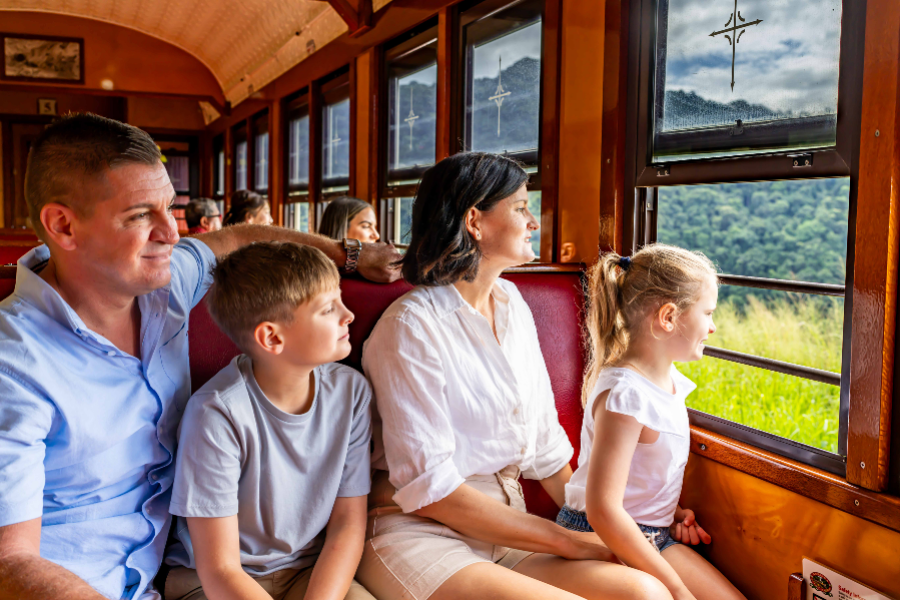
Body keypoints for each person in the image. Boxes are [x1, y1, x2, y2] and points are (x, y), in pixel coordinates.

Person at [0, 112, 400, 600]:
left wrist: (350, 255)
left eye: (170, 208)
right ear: (63, 225)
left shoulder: (164, 287)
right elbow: (11, 560)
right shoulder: (13, 363)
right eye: (139, 216)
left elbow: (238, 239)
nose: (171, 233)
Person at [358, 152, 670, 600]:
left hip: (506, 533)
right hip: (420, 533)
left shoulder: (512, 305)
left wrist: (631, 531)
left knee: (644, 592)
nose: (533, 222)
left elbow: (544, 449)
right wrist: (570, 542)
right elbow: (434, 492)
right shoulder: (410, 328)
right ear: (475, 221)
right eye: (521, 207)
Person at [164, 242, 374, 600]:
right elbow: (220, 568)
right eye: (328, 309)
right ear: (272, 337)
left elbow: (347, 524)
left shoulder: (351, 392)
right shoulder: (216, 414)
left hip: (307, 573)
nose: (348, 315)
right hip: (211, 582)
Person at [556, 245, 746, 600]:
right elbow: (603, 509)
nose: (714, 326)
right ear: (669, 317)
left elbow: (638, 473)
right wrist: (675, 587)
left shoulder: (667, 382)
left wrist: (667, 510)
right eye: (708, 313)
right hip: (599, 534)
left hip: (654, 534)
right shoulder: (627, 397)